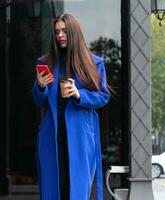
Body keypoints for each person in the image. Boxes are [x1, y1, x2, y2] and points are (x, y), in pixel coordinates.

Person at [33, 13, 110, 200]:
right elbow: (38, 101)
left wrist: (79, 95)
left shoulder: (93, 63)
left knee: (76, 190)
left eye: (65, 31)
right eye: (57, 31)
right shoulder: (46, 63)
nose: (60, 35)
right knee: (53, 188)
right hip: (52, 136)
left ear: (74, 33)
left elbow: (103, 97)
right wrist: (40, 86)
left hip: (80, 137)